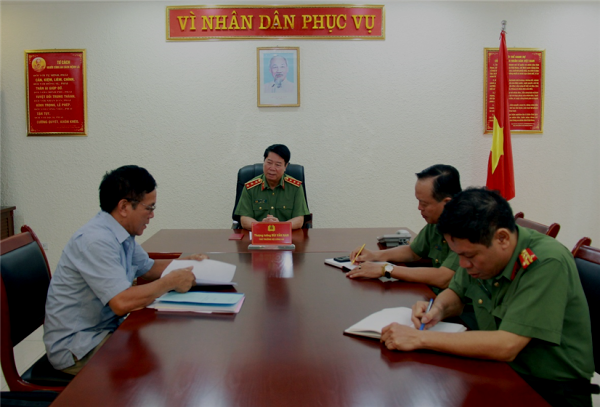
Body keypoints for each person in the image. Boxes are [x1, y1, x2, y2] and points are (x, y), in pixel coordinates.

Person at [381, 188, 594, 407]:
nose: (462, 264)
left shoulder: (545, 262)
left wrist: (418, 338)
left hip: (548, 390)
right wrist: (437, 309)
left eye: (469, 256)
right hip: (500, 371)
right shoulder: (481, 253)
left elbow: (507, 345)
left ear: (502, 238)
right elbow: (456, 292)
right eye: (458, 255)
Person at [44, 165, 206, 375]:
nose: (152, 215)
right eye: (149, 208)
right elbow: (121, 302)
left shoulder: (121, 233)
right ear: (124, 207)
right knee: (162, 364)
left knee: (170, 346)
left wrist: (186, 263)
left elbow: (148, 268)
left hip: (105, 330)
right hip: (78, 347)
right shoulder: (95, 241)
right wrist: (170, 282)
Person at [347, 164, 461, 294]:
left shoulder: (466, 228)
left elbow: (444, 278)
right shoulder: (437, 222)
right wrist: (375, 255)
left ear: (447, 203)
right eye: (418, 201)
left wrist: (386, 269)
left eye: (424, 203)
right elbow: (413, 251)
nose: (419, 208)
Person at [234, 144, 309, 230]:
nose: (272, 168)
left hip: (285, 235)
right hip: (259, 235)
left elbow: (299, 220)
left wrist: (279, 226)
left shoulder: (295, 187)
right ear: (264, 162)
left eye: (278, 164)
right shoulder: (250, 187)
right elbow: (244, 219)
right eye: (269, 163)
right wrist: (261, 225)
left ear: (285, 166)